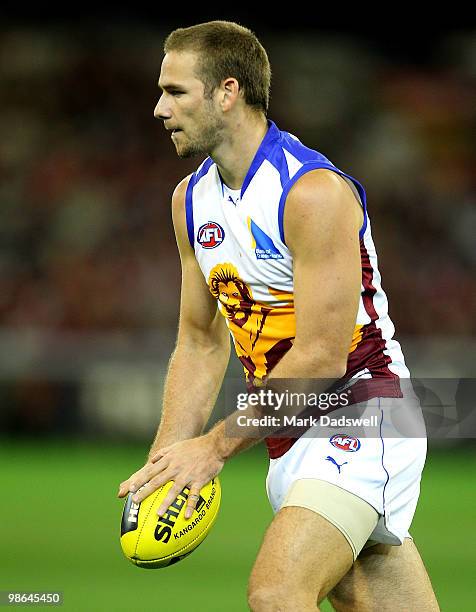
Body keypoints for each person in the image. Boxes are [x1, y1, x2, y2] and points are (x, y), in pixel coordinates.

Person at [118, 21, 439, 611]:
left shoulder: (311, 192)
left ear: (227, 92)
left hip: (366, 412)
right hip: (290, 430)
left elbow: (320, 356)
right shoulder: (189, 201)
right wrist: (164, 463)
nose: (160, 108)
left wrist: (211, 450)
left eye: (176, 91)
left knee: (276, 593)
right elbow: (200, 340)